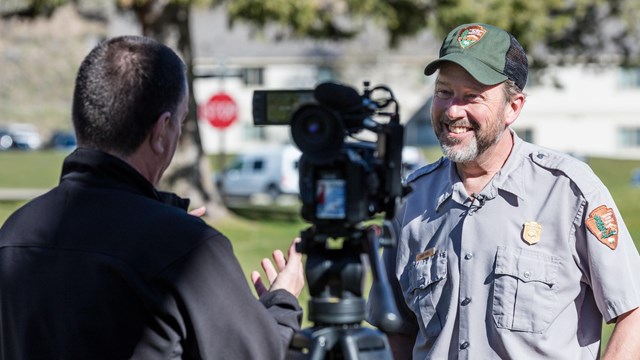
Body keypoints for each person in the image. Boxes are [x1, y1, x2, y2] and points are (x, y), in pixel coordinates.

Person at [0, 35, 304, 359]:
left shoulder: (13, 234)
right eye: (182, 121)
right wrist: (283, 301)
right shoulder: (186, 249)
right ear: (161, 131)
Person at [375, 23, 640, 359]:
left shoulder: (569, 192)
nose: (453, 111)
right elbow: (396, 330)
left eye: (472, 96)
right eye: (444, 92)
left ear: (513, 107)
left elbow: (634, 313)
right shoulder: (409, 200)